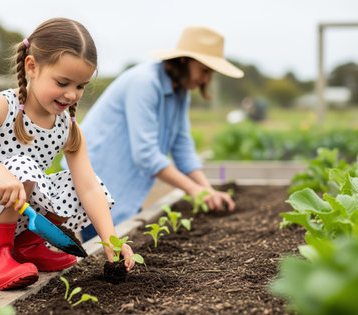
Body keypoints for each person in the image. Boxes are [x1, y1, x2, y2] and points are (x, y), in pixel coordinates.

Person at [0, 17, 136, 297]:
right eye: (62, 82)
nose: (70, 94)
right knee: (23, 166)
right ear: (32, 67)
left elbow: (87, 187)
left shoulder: (68, 128)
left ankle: (29, 245)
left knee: (87, 185)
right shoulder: (3, 106)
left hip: (15, 205)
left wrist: (111, 242)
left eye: (80, 86)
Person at [65, 25, 244, 241]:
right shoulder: (145, 83)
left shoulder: (180, 92)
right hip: (95, 182)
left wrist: (207, 190)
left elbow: (182, 146)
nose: (207, 80)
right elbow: (146, 154)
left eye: (210, 73)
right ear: (184, 60)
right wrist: (192, 189)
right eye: (204, 71)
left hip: (126, 187)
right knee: (106, 254)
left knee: (121, 247)